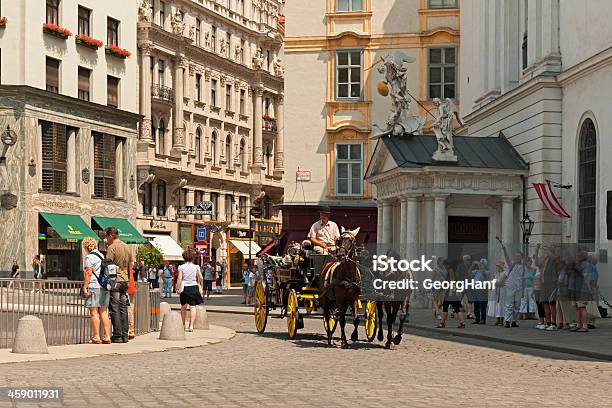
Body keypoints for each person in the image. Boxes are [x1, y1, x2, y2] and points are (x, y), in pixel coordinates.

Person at [105, 226, 133, 343]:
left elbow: (108, 264)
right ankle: (125, 335)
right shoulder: (126, 246)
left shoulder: (112, 248)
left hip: (115, 281)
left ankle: (117, 335)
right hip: (125, 280)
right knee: (123, 307)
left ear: (111, 236)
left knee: (114, 307)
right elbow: (131, 263)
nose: (106, 239)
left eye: (107, 236)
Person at [81, 237, 111, 344]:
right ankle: (107, 336)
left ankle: (96, 336)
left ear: (86, 246)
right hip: (104, 286)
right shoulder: (102, 256)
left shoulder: (89, 257)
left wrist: (85, 287)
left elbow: (88, 273)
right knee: (103, 311)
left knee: (94, 312)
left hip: (94, 286)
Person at [176, 248, 203, 331]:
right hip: (194, 287)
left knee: (183, 306)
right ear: (192, 257)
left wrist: (177, 288)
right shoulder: (196, 267)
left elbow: (179, 278)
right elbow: (201, 277)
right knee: (193, 307)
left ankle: (183, 324)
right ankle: (191, 326)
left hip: (184, 288)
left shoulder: (181, 267)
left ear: (184, 257)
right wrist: (199, 284)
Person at [537, 244, 561, 330]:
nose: (546, 250)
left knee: (552, 303)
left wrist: (548, 251)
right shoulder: (545, 258)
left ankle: (553, 323)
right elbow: (538, 264)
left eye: (549, 248)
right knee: (545, 303)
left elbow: (556, 260)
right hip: (544, 283)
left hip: (552, 283)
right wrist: (538, 252)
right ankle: (548, 322)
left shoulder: (556, 257)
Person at [436, 263, 466, 329]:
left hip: (450, 294)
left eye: (445, 265)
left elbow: (451, 282)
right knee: (457, 309)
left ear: (448, 265)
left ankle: (442, 323)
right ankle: (462, 323)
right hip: (453, 293)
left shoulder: (450, 271)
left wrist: (446, 289)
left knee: (445, 308)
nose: (444, 266)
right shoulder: (454, 272)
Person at [501, 244, 524, 328]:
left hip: (519, 288)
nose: (517, 258)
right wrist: (504, 250)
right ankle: (507, 321)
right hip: (510, 287)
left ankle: (514, 321)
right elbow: (507, 258)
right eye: (516, 256)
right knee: (509, 305)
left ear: (521, 257)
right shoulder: (511, 264)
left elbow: (523, 278)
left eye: (519, 256)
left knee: (517, 305)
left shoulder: (523, 266)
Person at [488, 260, 507, 326]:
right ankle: (497, 319)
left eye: (499, 266)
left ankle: (502, 320)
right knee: (496, 304)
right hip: (496, 290)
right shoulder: (496, 273)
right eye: (497, 266)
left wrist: (493, 282)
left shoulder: (504, 273)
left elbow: (500, 282)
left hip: (502, 291)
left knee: (502, 304)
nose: (497, 267)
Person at [471, 259, 489, 324]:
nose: (480, 265)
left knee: (482, 306)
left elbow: (483, 272)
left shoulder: (486, 272)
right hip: (475, 290)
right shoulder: (476, 271)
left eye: (482, 264)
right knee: (476, 305)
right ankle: (477, 318)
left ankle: (483, 319)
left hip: (482, 290)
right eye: (480, 263)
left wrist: (478, 264)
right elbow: (469, 273)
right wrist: (472, 265)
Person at [457, 255, 474, 319]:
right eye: (467, 259)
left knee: (470, 299)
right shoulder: (460, 266)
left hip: (468, 285)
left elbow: (471, 275)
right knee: (459, 299)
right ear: (464, 260)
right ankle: (454, 311)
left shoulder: (470, 267)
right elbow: (457, 275)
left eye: (469, 259)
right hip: (462, 284)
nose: (469, 261)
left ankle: (469, 314)